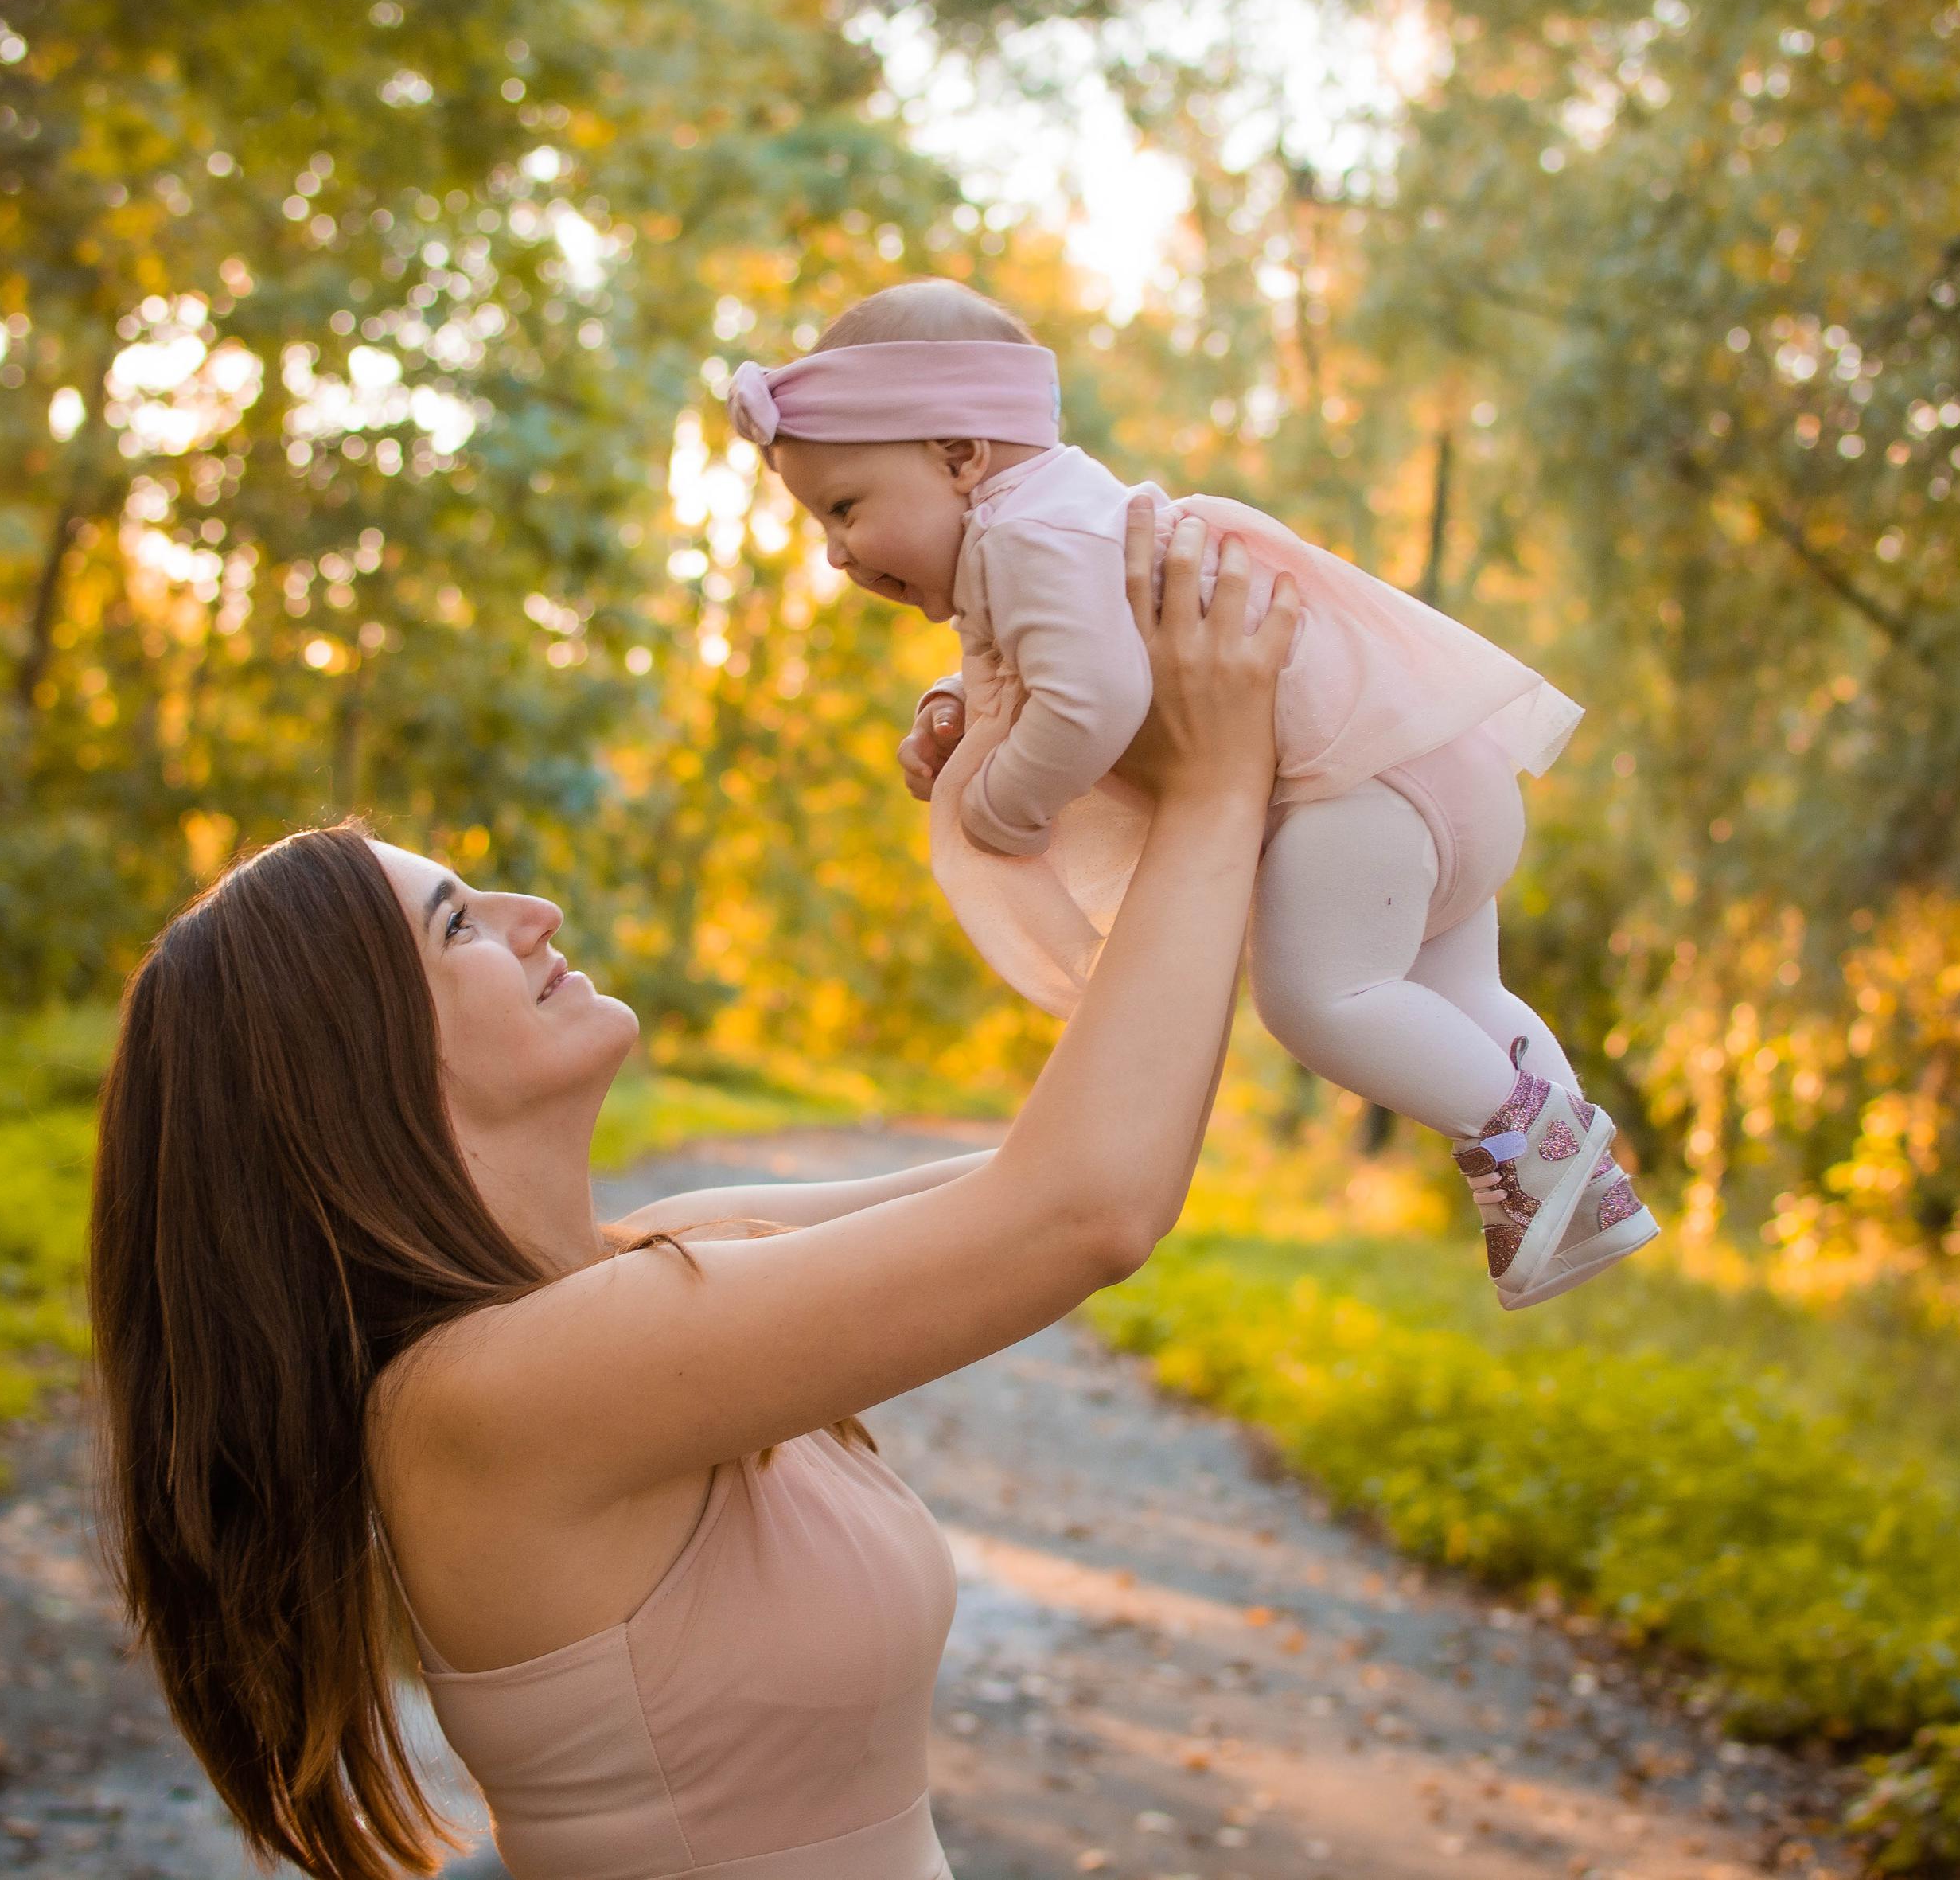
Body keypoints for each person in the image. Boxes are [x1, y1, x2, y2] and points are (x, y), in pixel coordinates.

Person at [88, 507, 1296, 1880]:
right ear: (348, 1063)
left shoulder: (651, 1259)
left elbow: (1090, 1156)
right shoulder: (482, 1399)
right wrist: (1214, 783)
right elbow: (1084, 1208)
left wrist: (1073, 778)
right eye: (457, 922)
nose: (533, 912)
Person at [731, 279, 1654, 1311]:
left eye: (845, 509)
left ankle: (1534, 1147)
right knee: (1458, 994)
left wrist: (1002, 803)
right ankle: (1583, 1179)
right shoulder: (1056, 520)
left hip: (1355, 789)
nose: (837, 552)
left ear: (960, 456)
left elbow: (1092, 697)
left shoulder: (1028, 539)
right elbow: (1043, 653)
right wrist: (953, 705)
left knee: (1320, 999)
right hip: (1429, 756)